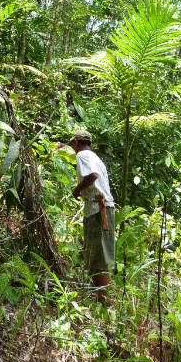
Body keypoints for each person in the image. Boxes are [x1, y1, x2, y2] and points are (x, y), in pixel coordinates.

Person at [68, 129, 116, 304]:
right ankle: (99, 298)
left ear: (76, 143)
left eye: (73, 144)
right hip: (99, 208)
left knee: (100, 255)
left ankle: (103, 302)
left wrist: (76, 190)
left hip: (99, 209)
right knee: (96, 253)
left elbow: (93, 176)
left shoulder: (82, 156)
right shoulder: (95, 157)